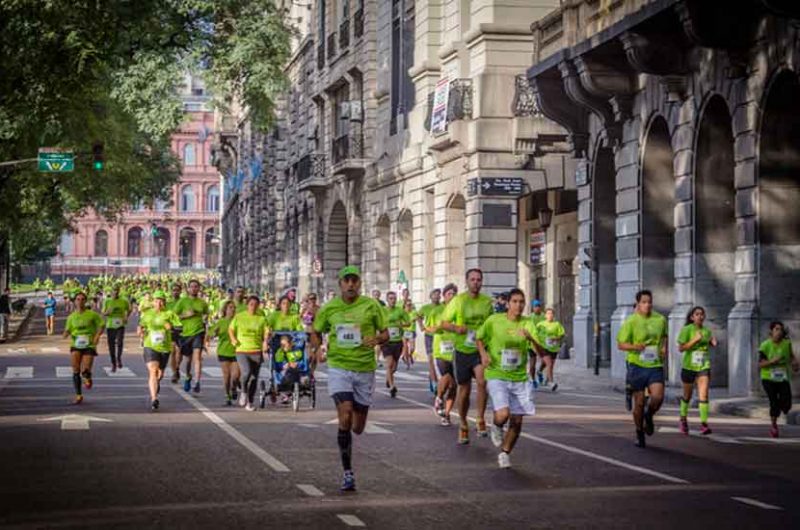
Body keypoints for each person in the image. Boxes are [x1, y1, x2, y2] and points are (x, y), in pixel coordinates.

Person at [310, 265, 388, 491]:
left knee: (358, 427)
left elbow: (385, 332)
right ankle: (347, 472)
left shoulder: (371, 306)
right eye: (347, 280)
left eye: (355, 280)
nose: (351, 284)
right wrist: (318, 349)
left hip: (364, 368)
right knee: (344, 415)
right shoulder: (329, 308)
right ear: (341, 284)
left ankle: (355, 422)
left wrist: (377, 339)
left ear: (360, 284)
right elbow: (316, 330)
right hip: (339, 367)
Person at [477, 288, 540, 468]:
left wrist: (531, 339)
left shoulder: (528, 323)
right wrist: (483, 354)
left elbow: (541, 350)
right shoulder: (494, 321)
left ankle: (505, 452)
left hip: (519, 377)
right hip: (497, 373)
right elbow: (480, 338)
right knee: (503, 413)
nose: (518, 305)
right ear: (508, 303)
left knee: (517, 420)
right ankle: (496, 426)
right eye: (515, 301)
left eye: (521, 302)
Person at [440, 268, 494, 444]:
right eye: (472, 280)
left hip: (479, 349)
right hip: (462, 350)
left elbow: (492, 325)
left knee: (482, 381)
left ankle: (480, 419)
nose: (476, 283)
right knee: (464, 390)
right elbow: (443, 323)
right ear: (467, 281)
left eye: (479, 280)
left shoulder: (487, 302)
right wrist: (457, 328)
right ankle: (463, 423)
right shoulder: (458, 301)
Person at [616, 290, 668, 448]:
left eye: (649, 302)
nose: (647, 305)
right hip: (636, 365)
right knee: (638, 403)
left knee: (658, 397)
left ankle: (649, 415)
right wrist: (635, 346)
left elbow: (664, 336)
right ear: (638, 304)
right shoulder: (631, 321)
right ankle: (639, 432)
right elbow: (621, 344)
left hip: (655, 364)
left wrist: (664, 347)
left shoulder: (660, 319)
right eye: (644, 302)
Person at [677, 306, 717, 435]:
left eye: (702, 314)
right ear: (692, 317)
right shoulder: (687, 330)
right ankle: (683, 419)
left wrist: (712, 342)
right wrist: (694, 340)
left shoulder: (706, 331)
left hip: (703, 366)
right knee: (687, 396)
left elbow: (710, 342)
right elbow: (681, 348)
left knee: (703, 395)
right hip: (689, 367)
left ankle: (704, 424)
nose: (700, 316)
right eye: (697, 314)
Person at [138, 291, 181, 411]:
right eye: (157, 300)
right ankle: (154, 398)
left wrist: (171, 328)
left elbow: (179, 328)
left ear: (165, 302)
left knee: (159, 374)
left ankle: (156, 384)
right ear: (153, 302)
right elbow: (141, 325)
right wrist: (140, 330)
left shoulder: (170, 314)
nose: (159, 303)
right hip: (150, 346)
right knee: (153, 370)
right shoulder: (147, 314)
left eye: (161, 300)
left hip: (165, 347)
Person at [229, 295, 270, 411]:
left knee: (253, 379)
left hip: (256, 350)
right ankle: (243, 391)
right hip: (242, 350)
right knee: (246, 372)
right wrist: (233, 339)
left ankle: (250, 402)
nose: (253, 307)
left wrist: (265, 342)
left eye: (256, 305)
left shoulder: (261, 318)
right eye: (251, 304)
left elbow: (266, 331)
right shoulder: (239, 317)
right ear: (247, 305)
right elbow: (231, 329)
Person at [62, 292, 104, 404]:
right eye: (78, 299)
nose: (80, 301)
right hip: (75, 345)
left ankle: (88, 378)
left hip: (89, 345)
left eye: (82, 299)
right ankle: (78, 395)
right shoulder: (71, 317)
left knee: (85, 371)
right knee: (75, 370)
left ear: (85, 301)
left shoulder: (92, 314)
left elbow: (101, 325)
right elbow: (67, 330)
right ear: (75, 301)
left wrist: (97, 336)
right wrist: (65, 333)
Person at [758, 321, 798, 438]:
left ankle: (781, 409)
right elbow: (760, 364)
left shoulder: (786, 343)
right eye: (776, 329)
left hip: (783, 377)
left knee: (787, 404)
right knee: (774, 403)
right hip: (768, 378)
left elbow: (791, 356)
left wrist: (794, 363)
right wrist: (772, 361)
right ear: (771, 332)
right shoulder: (765, 345)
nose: (779, 332)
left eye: (780, 329)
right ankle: (774, 426)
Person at [427, 283, 458, 425]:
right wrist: (440, 327)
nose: (452, 296)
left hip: (457, 350)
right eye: (449, 294)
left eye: (454, 294)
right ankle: (439, 397)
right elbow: (429, 329)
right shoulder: (437, 311)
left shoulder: (460, 311)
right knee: (446, 377)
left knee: (454, 386)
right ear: (444, 296)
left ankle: (446, 414)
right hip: (441, 350)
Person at [174, 279, 209, 393]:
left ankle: (197, 382)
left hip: (198, 332)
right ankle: (188, 376)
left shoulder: (202, 303)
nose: (194, 288)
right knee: (188, 360)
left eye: (196, 286)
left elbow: (206, 315)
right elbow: (175, 316)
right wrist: (185, 315)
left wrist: (204, 319)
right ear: (188, 289)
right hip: (185, 333)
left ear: (199, 288)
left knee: (197, 357)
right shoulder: (182, 301)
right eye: (192, 287)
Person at [207, 301, 240, 406]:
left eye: (234, 308)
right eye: (230, 307)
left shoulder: (238, 321)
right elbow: (210, 334)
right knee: (227, 375)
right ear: (225, 310)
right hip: (223, 351)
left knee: (236, 375)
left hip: (237, 351)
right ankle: (227, 395)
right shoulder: (221, 322)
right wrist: (213, 334)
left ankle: (234, 388)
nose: (232, 309)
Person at [382, 291, 408, 397]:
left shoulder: (400, 311)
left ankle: (388, 377)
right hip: (386, 342)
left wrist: (401, 324)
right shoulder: (383, 311)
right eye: (391, 298)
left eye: (394, 298)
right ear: (387, 300)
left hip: (397, 342)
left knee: (394, 367)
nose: (393, 300)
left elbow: (408, 322)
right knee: (389, 364)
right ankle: (392, 387)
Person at [418, 288, 443, 394]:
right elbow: (418, 317)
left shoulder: (443, 307)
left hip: (441, 336)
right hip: (429, 336)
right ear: (430, 296)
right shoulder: (425, 307)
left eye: (438, 295)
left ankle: (433, 376)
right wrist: (422, 327)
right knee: (431, 360)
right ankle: (434, 382)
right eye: (435, 295)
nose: (437, 297)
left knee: (441, 361)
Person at [535, 308, 566, 391]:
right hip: (543, 347)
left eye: (551, 313)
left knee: (548, 365)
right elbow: (534, 335)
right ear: (545, 315)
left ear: (554, 315)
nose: (550, 315)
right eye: (548, 313)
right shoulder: (540, 324)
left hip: (554, 348)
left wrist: (556, 338)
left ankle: (539, 371)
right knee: (549, 364)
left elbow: (562, 335)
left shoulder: (557, 324)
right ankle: (551, 382)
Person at [102, 287, 130, 372]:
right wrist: (108, 312)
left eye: (117, 292)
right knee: (111, 346)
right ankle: (113, 363)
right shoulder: (107, 301)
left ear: (119, 292)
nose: (115, 294)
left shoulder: (123, 301)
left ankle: (119, 358)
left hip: (120, 324)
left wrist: (126, 317)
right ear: (111, 293)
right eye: (114, 292)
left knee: (120, 342)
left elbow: (129, 309)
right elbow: (103, 313)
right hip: (110, 326)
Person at [275, 334, 304, 404]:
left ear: (290, 343)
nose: (283, 346)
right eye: (282, 345)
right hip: (284, 372)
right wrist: (283, 366)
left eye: (285, 344)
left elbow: (302, 360)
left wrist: (297, 364)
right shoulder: (280, 352)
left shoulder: (297, 351)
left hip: (296, 370)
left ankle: (297, 389)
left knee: (298, 373)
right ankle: (286, 393)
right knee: (285, 374)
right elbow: (277, 364)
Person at [166, 283, 184, 384]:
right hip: (171, 329)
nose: (175, 292)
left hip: (181, 328)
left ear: (180, 291)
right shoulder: (168, 304)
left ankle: (177, 367)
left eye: (177, 290)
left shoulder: (183, 302)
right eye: (173, 290)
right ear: (171, 291)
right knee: (172, 351)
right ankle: (174, 372)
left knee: (179, 352)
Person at [402, 298, 417, 370]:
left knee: (412, 348)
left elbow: (420, 317)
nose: (409, 306)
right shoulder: (402, 313)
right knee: (405, 348)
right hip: (404, 331)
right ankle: (407, 364)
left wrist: (418, 318)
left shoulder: (414, 312)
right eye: (408, 305)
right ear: (404, 305)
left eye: (410, 305)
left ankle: (410, 355)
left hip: (412, 331)